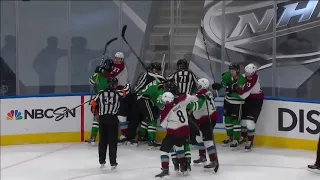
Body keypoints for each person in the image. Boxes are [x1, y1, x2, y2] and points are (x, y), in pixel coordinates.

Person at [155, 92, 198, 178]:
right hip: (185, 131)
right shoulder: (180, 100)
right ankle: (184, 166)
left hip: (173, 133)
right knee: (179, 147)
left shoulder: (165, 110)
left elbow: (163, 125)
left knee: (164, 149)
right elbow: (192, 97)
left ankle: (165, 170)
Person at [90, 77, 130, 169]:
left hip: (102, 119)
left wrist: (96, 113)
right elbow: (127, 90)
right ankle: (113, 162)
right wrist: (128, 82)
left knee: (103, 141)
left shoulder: (100, 94)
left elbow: (93, 104)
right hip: (112, 119)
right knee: (112, 142)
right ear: (115, 85)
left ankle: (102, 161)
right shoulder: (118, 93)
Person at [166, 59, 198, 166]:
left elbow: (166, 80)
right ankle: (191, 138)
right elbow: (198, 84)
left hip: (177, 98)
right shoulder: (191, 74)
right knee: (189, 119)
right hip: (187, 98)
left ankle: (176, 157)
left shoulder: (175, 74)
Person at [187, 78, 219, 169]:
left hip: (207, 119)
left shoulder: (202, 95)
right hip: (206, 118)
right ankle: (202, 157)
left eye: (198, 85)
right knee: (199, 137)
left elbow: (199, 105)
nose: (197, 86)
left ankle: (213, 160)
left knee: (207, 141)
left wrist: (191, 108)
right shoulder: (207, 93)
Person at [211, 62, 245, 150]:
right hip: (228, 101)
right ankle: (230, 137)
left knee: (236, 121)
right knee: (227, 120)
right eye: (230, 69)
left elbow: (239, 91)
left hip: (237, 103)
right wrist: (218, 86)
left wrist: (230, 89)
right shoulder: (226, 76)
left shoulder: (242, 78)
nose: (231, 71)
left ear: (238, 70)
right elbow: (225, 87)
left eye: (233, 70)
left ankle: (237, 139)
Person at [233, 63, 264, 151]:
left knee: (250, 123)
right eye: (247, 72)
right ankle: (243, 138)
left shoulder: (253, 79)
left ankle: (250, 141)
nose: (248, 74)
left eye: (250, 73)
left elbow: (243, 94)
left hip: (256, 101)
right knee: (242, 121)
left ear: (254, 72)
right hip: (248, 100)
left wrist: (236, 88)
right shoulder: (245, 75)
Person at [85, 59, 113, 145]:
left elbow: (92, 82)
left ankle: (104, 138)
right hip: (103, 100)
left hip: (107, 100)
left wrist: (97, 72)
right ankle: (93, 137)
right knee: (97, 118)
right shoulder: (99, 74)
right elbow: (91, 81)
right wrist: (96, 73)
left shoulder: (110, 76)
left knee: (102, 118)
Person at [105, 52, 129, 142]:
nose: (117, 60)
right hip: (113, 90)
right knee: (111, 114)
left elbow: (110, 76)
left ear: (122, 60)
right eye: (116, 58)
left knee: (121, 115)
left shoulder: (121, 66)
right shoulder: (114, 65)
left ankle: (124, 135)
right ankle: (114, 134)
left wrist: (105, 70)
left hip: (120, 90)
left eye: (119, 59)